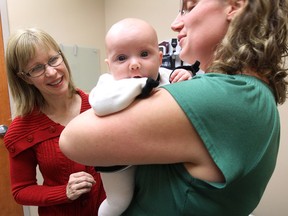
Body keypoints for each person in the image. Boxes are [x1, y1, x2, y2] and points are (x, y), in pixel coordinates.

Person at [60, 0, 288, 215]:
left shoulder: (228, 96)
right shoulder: (251, 94)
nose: (176, 23)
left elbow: (73, 139)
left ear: (235, 5)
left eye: (189, 7)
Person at [89, 18, 193, 216]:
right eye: (121, 58)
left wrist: (185, 77)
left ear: (160, 58)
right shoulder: (107, 83)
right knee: (118, 202)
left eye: (144, 54)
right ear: (109, 65)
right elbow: (100, 104)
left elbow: (184, 95)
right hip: (117, 157)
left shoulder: (164, 76)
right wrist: (140, 86)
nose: (135, 64)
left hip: (156, 154)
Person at [3, 28, 106, 216]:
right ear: (25, 78)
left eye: (53, 60)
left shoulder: (100, 105)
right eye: (36, 68)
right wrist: (63, 192)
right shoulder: (20, 131)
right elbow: (21, 191)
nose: (51, 72)